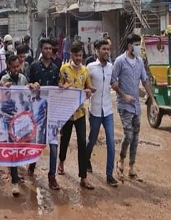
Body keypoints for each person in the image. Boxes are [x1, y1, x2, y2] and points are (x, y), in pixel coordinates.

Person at [111, 34, 156, 181]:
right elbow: (113, 81)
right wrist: (124, 96)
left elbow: (145, 80)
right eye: (136, 44)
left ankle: (131, 167)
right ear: (129, 46)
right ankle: (121, 160)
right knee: (128, 134)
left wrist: (152, 100)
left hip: (136, 105)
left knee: (136, 136)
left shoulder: (139, 61)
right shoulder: (120, 61)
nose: (138, 47)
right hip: (124, 105)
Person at [58, 42, 95, 190]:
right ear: (71, 55)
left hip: (80, 112)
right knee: (65, 139)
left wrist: (89, 91)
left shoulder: (85, 71)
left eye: (80, 55)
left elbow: (88, 87)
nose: (78, 58)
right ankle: (61, 161)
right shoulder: (64, 69)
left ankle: (83, 177)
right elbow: (58, 86)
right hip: (66, 113)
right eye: (76, 55)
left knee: (82, 143)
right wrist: (63, 87)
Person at [28, 38, 60, 190]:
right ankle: (31, 164)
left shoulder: (55, 68)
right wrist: (31, 85)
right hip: (37, 111)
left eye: (50, 49)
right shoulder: (34, 66)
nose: (48, 51)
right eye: (46, 48)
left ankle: (52, 176)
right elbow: (27, 84)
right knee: (37, 141)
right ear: (41, 49)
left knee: (53, 146)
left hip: (52, 112)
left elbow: (58, 87)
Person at [0, 54, 34, 197]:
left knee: (21, 146)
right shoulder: (4, 79)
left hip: (21, 119)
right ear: (8, 66)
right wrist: (3, 89)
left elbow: (27, 96)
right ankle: (14, 182)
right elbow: (0, 99)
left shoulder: (23, 79)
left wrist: (31, 88)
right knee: (13, 148)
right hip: (8, 119)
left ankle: (15, 170)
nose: (16, 69)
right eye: (13, 67)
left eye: (18, 67)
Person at [86, 39, 118, 187]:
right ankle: (86, 159)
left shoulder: (111, 67)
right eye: (103, 49)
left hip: (108, 110)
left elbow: (114, 83)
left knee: (111, 142)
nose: (106, 51)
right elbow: (84, 84)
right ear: (97, 51)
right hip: (95, 110)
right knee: (92, 139)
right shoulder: (90, 68)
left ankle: (109, 174)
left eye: (108, 49)